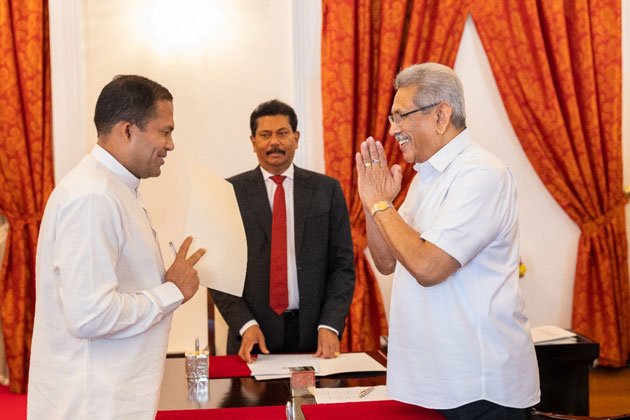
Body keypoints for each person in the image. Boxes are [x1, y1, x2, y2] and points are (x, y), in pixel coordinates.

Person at [356, 63, 540, 419]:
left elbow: (429, 267)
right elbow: (387, 261)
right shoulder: (427, 176)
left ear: (441, 115)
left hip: (479, 385)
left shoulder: (481, 173)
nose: (393, 130)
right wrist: (372, 204)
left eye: (401, 116)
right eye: (392, 118)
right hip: (438, 381)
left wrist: (381, 204)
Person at [27, 75, 206, 420]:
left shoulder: (115, 188)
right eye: (165, 131)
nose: (170, 145)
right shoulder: (94, 196)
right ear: (127, 130)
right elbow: (90, 315)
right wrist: (172, 291)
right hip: (91, 406)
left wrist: (166, 283)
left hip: (110, 399)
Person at [210, 99, 355, 363]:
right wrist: (245, 324)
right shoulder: (229, 192)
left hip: (315, 335)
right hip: (253, 338)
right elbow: (219, 272)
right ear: (253, 141)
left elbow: (342, 267)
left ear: (296, 138)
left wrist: (330, 324)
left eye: (282, 133)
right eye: (265, 135)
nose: (274, 142)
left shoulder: (327, 190)